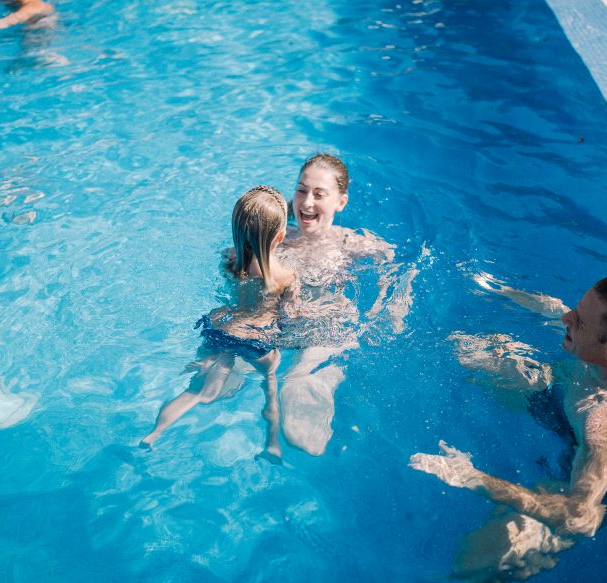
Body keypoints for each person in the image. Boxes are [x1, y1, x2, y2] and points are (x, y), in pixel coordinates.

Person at [410, 275, 607, 583]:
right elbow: (564, 314)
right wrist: (501, 291)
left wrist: (471, 477)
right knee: (470, 349)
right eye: (576, 308)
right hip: (566, 406)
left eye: (579, 321)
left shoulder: (606, 424)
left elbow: (579, 517)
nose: (566, 318)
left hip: (601, 484)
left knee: (477, 559)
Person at [140, 186, 296, 461]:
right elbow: (290, 315)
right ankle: (272, 442)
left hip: (222, 329)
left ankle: (155, 433)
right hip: (257, 338)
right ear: (280, 237)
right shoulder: (285, 276)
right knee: (270, 385)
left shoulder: (231, 261)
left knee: (196, 389)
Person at [275, 153, 416, 456]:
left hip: (329, 329)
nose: (307, 202)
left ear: (340, 202)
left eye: (319, 194)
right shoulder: (279, 240)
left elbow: (400, 266)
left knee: (296, 383)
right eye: (301, 190)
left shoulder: (350, 243)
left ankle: (315, 391)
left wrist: (394, 306)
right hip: (280, 325)